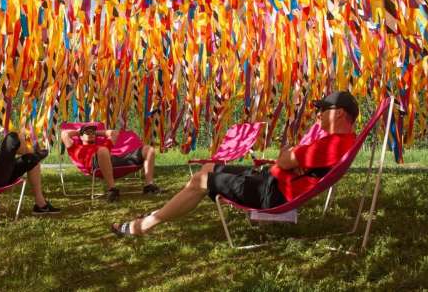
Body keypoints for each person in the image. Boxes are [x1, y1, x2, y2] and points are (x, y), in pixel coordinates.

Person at [111, 91, 359, 236]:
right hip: (270, 181)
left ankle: (145, 224)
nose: (318, 115)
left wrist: (289, 157)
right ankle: (155, 215)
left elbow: (285, 159)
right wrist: (290, 159)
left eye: (323, 109)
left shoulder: (334, 143)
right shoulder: (339, 142)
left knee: (201, 180)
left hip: (271, 193)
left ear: (339, 113)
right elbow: (288, 160)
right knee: (207, 169)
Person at [60, 125, 161, 202]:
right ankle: (112, 189)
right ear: (80, 137)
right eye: (88, 132)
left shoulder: (103, 145)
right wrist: (79, 132)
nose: (91, 134)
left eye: (92, 132)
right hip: (95, 164)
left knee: (149, 149)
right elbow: (64, 134)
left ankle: (149, 186)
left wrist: (95, 132)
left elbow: (114, 133)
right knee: (103, 150)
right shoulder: (75, 147)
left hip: (113, 160)